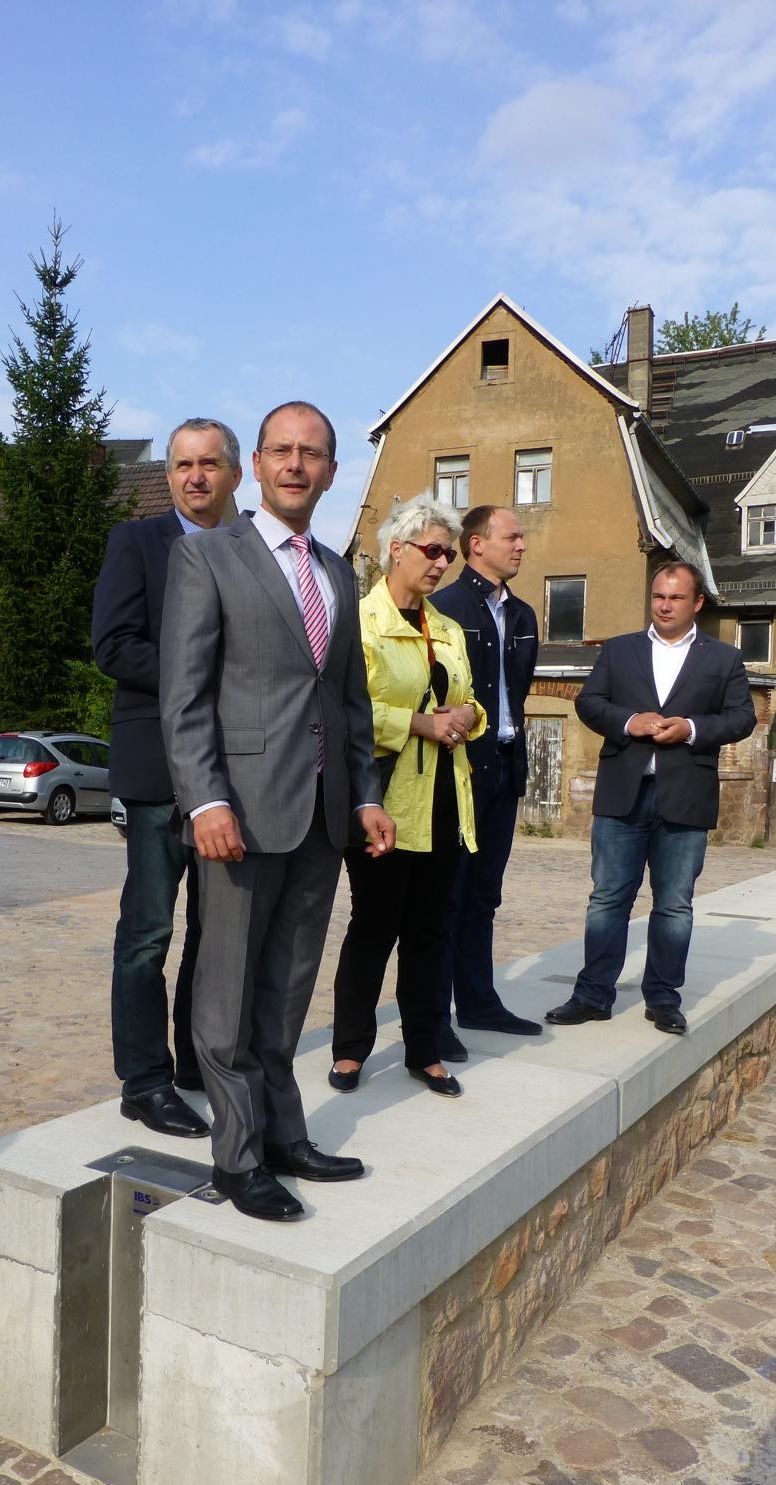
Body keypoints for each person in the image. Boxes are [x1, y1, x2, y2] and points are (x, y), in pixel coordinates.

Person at [160, 402, 396, 1220]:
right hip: (240, 817)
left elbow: (350, 702)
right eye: (283, 451)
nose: (297, 465)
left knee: (289, 991)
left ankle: (285, 1135)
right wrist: (207, 801)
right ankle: (236, 1159)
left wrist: (365, 795)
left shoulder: (337, 571)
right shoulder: (209, 559)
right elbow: (184, 697)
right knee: (224, 998)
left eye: (314, 454)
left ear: (332, 472)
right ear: (256, 464)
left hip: (321, 820)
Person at [91, 418, 242, 1140]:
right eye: (183, 464)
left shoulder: (252, 551)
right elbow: (113, 646)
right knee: (148, 933)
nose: (195, 476)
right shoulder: (138, 543)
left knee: (216, 937)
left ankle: (196, 1065)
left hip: (235, 772)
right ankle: (143, 1081)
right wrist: (202, 678)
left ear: (233, 473)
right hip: (156, 771)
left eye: (209, 463)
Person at [546, 560, 756, 1034]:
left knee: (674, 904)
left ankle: (663, 998)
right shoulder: (620, 651)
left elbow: (742, 718)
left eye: (676, 597)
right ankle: (592, 995)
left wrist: (692, 729)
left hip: (685, 796)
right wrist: (628, 722)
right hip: (623, 792)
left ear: (697, 603)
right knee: (607, 898)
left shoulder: (724, 659)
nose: (664, 605)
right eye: (659, 596)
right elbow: (588, 702)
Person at [329, 493, 486, 1098]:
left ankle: (425, 1047)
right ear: (395, 548)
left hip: (447, 798)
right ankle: (350, 1050)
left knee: (430, 930)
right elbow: (347, 710)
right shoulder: (360, 622)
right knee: (374, 927)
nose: (443, 562)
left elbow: (470, 699)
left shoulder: (446, 627)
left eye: (449, 553)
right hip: (384, 799)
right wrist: (415, 723)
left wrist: (463, 717)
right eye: (432, 550)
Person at [431, 505, 540, 1062]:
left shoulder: (523, 616)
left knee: (484, 896)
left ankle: (478, 1002)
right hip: (457, 771)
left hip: (505, 768)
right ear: (476, 544)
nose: (522, 545)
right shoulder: (444, 608)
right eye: (512, 536)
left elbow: (515, 696)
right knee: (447, 896)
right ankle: (435, 1017)